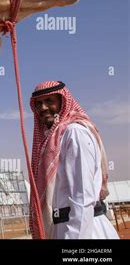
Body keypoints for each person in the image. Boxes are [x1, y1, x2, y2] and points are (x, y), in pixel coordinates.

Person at [29, 81, 119, 239]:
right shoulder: (52, 141)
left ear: (63, 102)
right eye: (39, 103)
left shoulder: (74, 133)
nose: (43, 108)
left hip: (84, 231)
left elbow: (82, 197)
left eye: (49, 101)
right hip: (62, 228)